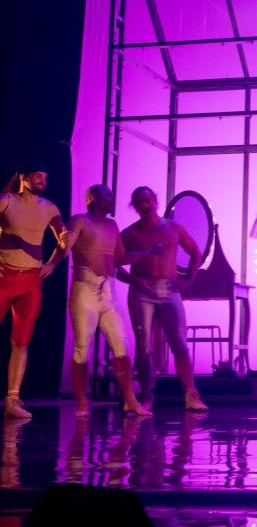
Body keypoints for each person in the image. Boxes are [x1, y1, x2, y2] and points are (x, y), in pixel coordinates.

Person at [65, 184, 155, 417]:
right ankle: (82, 402)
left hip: (109, 292)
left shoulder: (112, 225)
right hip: (85, 290)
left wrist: (147, 253)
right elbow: (66, 246)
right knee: (82, 348)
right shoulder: (80, 220)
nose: (112, 199)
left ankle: (130, 400)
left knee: (121, 346)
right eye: (107, 196)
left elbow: (120, 259)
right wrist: (59, 249)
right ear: (93, 198)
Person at [119, 186, 208, 412]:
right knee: (143, 345)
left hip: (169, 289)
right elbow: (114, 264)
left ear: (156, 202)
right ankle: (147, 396)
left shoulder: (173, 228)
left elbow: (196, 253)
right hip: (141, 290)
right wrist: (135, 282)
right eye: (140, 202)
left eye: (148, 200)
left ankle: (191, 394)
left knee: (179, 343)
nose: (145, 205)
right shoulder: (130, 234)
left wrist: (188, 280)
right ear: (135, 206)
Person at [0, 163, 71, 419]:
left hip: (31, 283)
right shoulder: (7, 201)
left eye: (45, 176)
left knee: (21, 342)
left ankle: (12, 399)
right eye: (38, 175)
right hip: (4, 278)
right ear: (23, 177)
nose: (43, 180)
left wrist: (52, 263)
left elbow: (65, 240)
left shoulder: (49, 208)